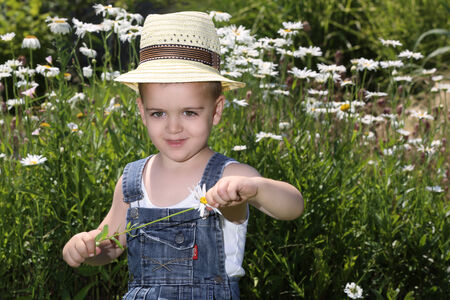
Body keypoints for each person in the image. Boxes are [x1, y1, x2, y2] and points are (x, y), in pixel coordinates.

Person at [62, 11, 303, 299]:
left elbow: (293, 206)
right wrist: (87, 247)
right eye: (158, 113)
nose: (173, 127)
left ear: (216, 111)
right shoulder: (133, 180)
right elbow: (111, 245)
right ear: (142, 111)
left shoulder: (230, 176)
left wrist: (256, 189)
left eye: (189, 112)